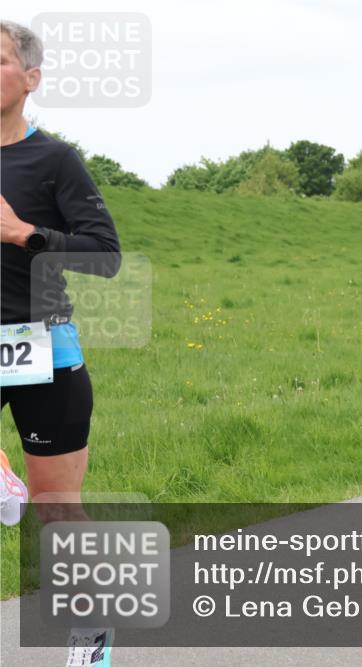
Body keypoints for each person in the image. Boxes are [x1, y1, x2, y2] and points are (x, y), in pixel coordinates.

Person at [1, 20, 120, 666]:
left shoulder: (54, 161)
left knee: (57, 509)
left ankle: (91, 633)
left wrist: (25, 233)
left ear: (31, 79)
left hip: (42, 343)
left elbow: (107, 256)